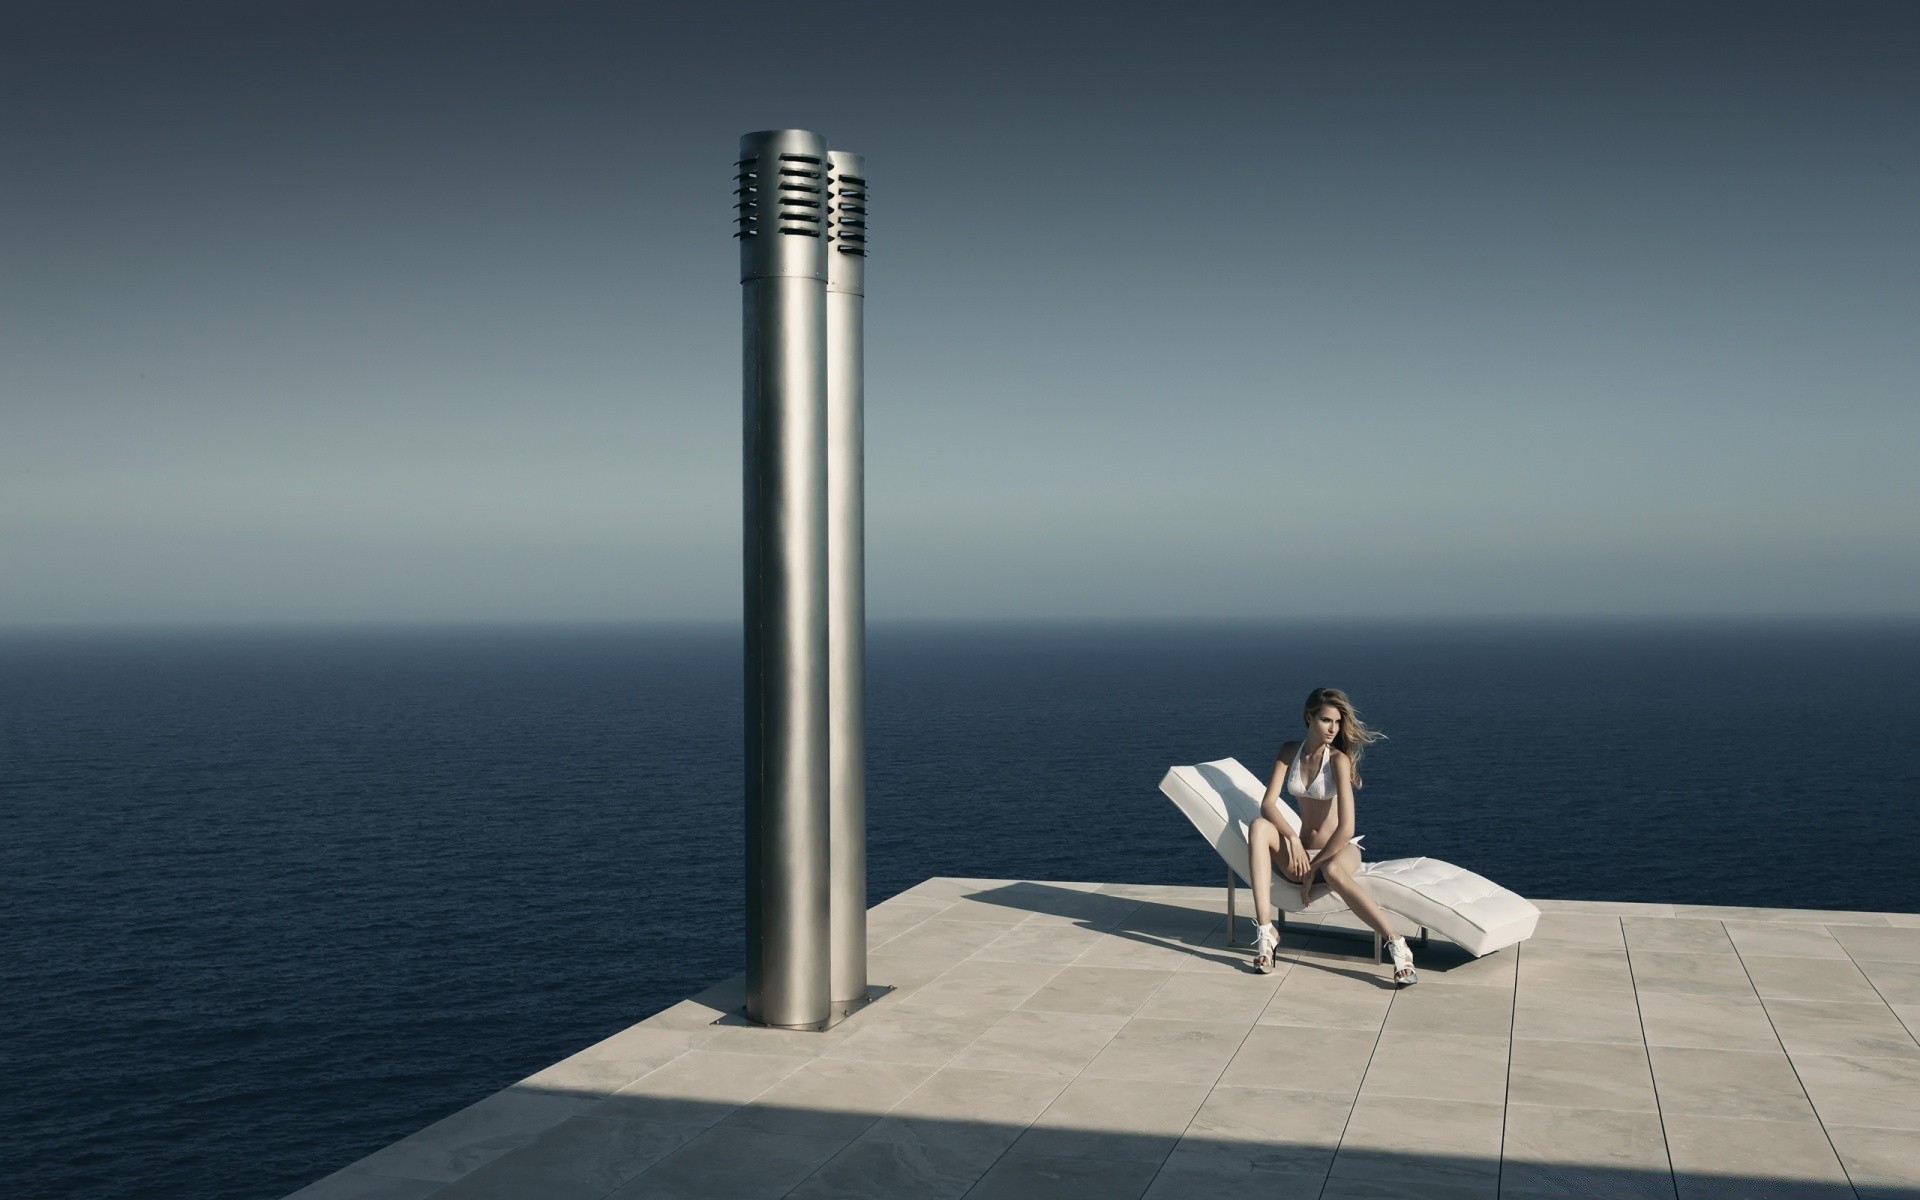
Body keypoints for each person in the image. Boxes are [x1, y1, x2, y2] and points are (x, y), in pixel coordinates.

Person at [1246, 687, 1416, 985]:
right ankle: (1265, 932)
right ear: (1309, 717)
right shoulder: (1289, 752)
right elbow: (1268, 804)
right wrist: (1292, 839)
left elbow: (1346, 827)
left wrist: (1315, 866)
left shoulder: (1338, 760)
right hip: (1301, 854)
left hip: (1338, 851)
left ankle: (1398, 944)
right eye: (1326, 720)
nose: (1333, 729)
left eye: (1337, 722)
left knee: (1333, 869)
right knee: (1259, 825)